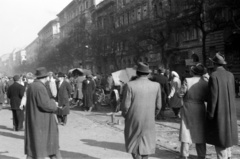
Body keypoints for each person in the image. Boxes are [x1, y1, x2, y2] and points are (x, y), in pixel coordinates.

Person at [121, 62, 162, 159]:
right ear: (148, 73)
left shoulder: (129, 85)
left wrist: (126, 115)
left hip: (134, 118)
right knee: (146, 143)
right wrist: (153, 115)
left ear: (137, 73)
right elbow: (159, 106)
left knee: (133, 142)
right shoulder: (156, 85)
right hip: (149, 119)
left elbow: (126, 106)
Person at [24, 67, 62, 159]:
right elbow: (44, 104)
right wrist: (54, 104)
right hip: (42, 120)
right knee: (50, 144)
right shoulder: (40, 87)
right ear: (46, 77)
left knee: (34, 147)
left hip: (35, 118)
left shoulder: (32, 86)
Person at [207, 52, 238, 159]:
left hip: (219, 112)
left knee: (220, 137)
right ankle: (228, 156)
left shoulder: (214, 75)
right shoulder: (231, 75)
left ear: (214, 64)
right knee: (228, 136)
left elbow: (213, 97)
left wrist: (210, 113)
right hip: (230, 111)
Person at [177, 63, 208, 159]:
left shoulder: (187, 80)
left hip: (188, 107)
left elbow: (180, 94)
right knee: (200, 132)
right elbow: (207, 97)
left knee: (186, 131)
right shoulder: (205, 82)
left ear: (193, 72)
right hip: (201, 107)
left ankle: (184, 154)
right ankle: (201, 155)